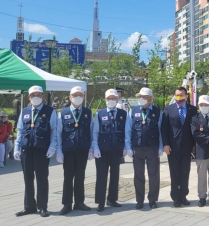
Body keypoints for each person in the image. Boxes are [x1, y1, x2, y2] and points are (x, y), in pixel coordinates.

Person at [14, 86, 58, 217]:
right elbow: (20, 131)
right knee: (27, 178)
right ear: (29, 97)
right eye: (33, 95)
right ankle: (29, 206)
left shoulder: (50, 111)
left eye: (38, 94)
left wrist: (52, 146)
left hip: (42, 149)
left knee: (42, 178)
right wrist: (17, 147)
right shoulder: (25, 111)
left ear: (43, 96)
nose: (36, 97)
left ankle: (42, 207)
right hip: (26, 149)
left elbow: (54, 130)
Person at [56, 86, 94, 215]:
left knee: (80, 177)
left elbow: (91, 130)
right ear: (70, 97)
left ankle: (79, 203)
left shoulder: (88, 112)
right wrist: (59, 150)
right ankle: (67, 204)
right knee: (68, 177)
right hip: (68, 149)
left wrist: (91, 149)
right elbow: (58, 132)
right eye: (75, 95)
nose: (78, 97)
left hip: (82, 149)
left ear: (83, 97)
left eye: (80, 95)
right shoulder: (63, 113)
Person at [126, 87, 163, 210]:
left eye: (144, 97)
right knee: (138, 175)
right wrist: (128, 148)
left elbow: (160, 131)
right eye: (140, 97)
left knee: (154, 175)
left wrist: (160, 147)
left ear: (151, 99)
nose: (141, 99)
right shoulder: (133, 111)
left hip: (152, 147)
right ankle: (139, 200)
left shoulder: (158, 112)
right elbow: (128, 130)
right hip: (138, 147)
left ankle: (152, 200)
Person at [93, 88, 129, 212]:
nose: (111, 100)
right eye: (109, 99)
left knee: (115, 175)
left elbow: (126, 132)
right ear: (105, 99)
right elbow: (95, 132)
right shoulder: (99, 113)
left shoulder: (123, 114)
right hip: (102, 150)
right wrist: (95, 147)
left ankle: (112, 199)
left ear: (117, 99)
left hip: (117, 149)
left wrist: (125, 146)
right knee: (101, 176)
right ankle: (100, 202)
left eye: (114, 98)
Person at [161, 86, 197, 207]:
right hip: (172, 147)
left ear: (186, 96)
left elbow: (194, 129)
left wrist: (194, 145)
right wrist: (165, 144)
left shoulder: (192, 109)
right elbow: (164, 128)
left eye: (181, 95)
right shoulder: (168, 109)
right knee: (174, 173)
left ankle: (183, 196)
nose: (179, 97)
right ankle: (175, 197)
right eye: (177, 95)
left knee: (185, 172)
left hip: (187, 147)